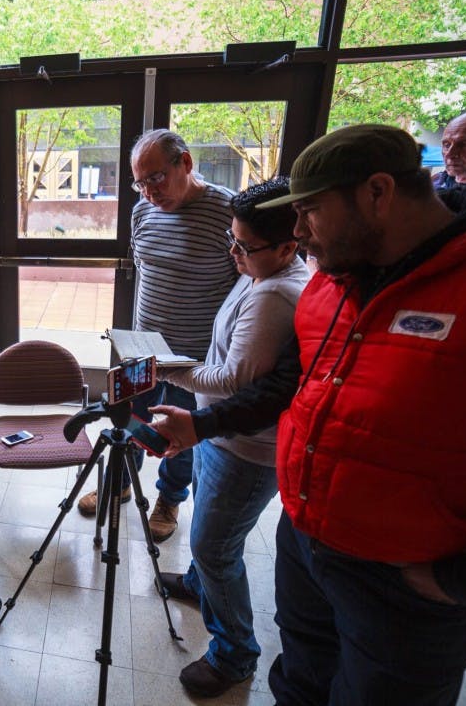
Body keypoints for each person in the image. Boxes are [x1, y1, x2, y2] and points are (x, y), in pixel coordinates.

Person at [150, 124, 466, 705]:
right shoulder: (328, 285)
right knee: (298, 681)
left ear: (377, 193)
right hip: (307, 542)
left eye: (311, 212)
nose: (296, 233)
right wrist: (203, 425)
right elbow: (287, 388)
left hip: (412, 582)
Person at [155, 178, 310, 697]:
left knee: (215, 545)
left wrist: (169, 371)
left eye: (245, 245)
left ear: (289, 246)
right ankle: (201, 586)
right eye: (233, 238)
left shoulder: (276, 295)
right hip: (220, 436)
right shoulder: (261, 271)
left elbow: (232, 381)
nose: (234, 252)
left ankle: (234, 653)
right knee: (211, 529)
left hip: (245, 448)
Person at [77, 129, 239, 543]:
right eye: (140, 182)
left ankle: (169, 498)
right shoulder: (142, 212)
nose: (149, 191)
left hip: (195, 358)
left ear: (185, 163)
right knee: (129, 418)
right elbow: (146, 268)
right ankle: (122, 482)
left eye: (156, 178)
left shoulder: (228, 212)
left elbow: (244, 283)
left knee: (179, 430)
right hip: (141, 349)